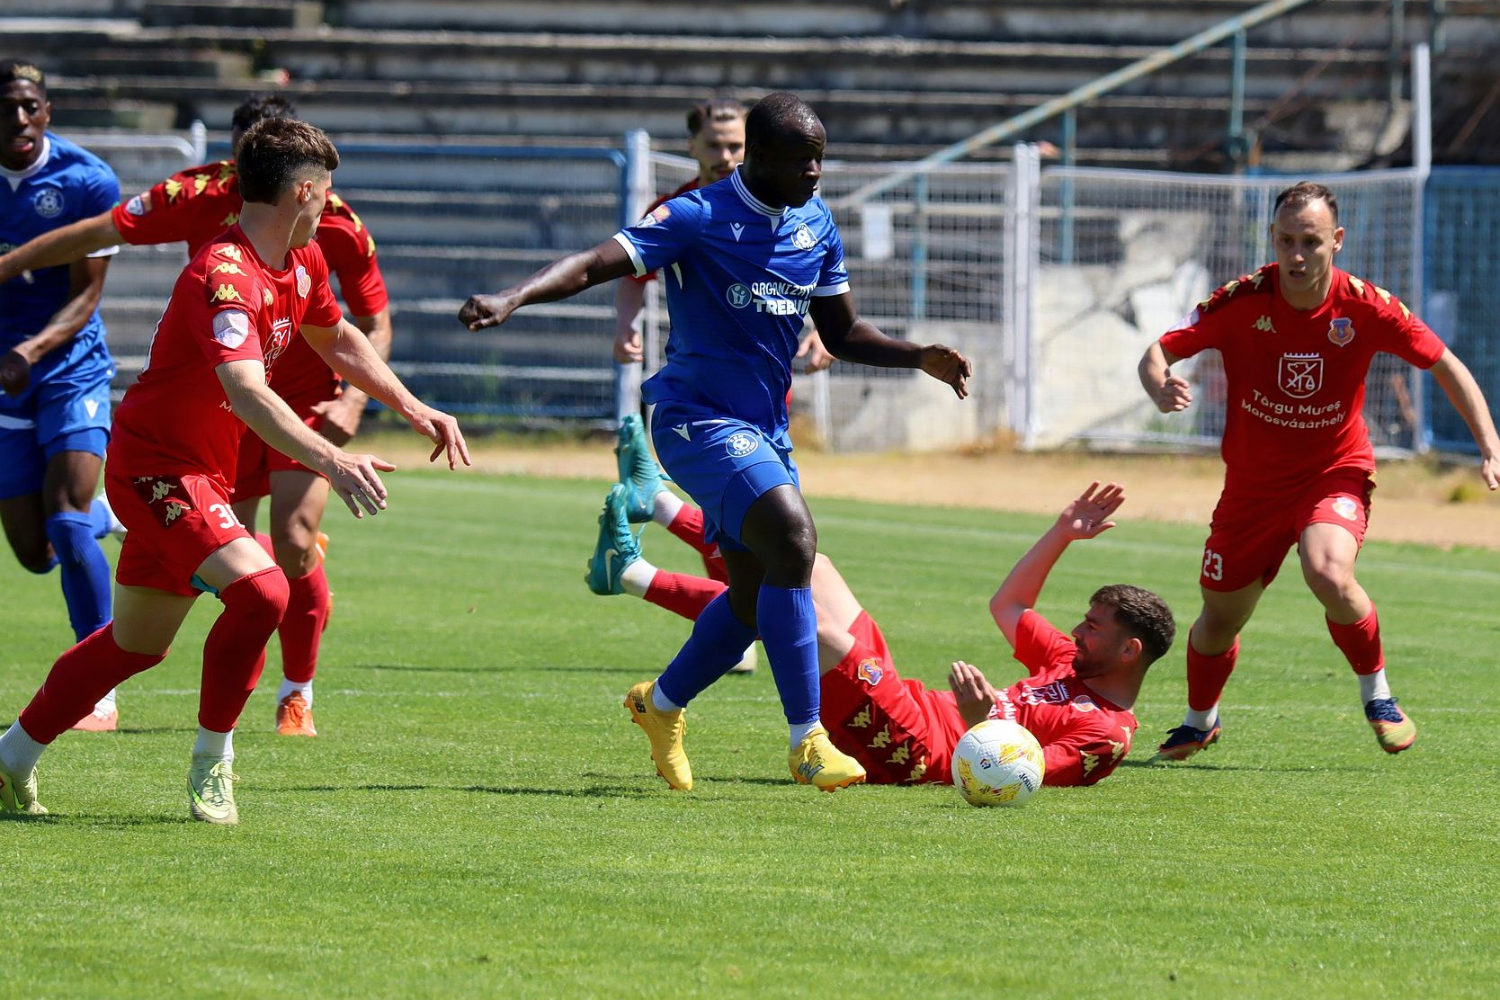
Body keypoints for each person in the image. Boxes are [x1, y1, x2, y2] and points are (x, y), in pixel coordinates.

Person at [462, 92, 971, 792]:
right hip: (694, 420)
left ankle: (660, 704)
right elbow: (594, 263)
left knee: (752, 596)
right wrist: (512, 298)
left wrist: (918, 356)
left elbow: (844, 332)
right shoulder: (695, 215)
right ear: (758, 157)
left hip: (764, 432)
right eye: (801, 160)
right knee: (793, 537)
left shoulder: (815, 223)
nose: (815, 172)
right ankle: (807, 740)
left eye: (820, 158)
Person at [0, 117, 469, 824]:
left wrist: (412, 406)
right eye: (327, 192)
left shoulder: (302, 260)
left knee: (134, 646)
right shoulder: (222, 275)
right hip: (158, 469)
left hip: (201, 469)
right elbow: (247, 389)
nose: (332, 205)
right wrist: (332, 458)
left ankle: (10, 757)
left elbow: (336, 337)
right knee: (262, 591)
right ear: (303, 192)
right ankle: (213, 764)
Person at [1138, 180, 1500, 761]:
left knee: (1328, 571)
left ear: (1337, 240)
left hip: (1334, 471)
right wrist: (1159, 385)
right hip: (1252, 488)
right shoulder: (1240, 301)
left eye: (1311, 241)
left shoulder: (1367, 306)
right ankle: (1199, 721)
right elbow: (1158, 351)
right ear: (1272, 238)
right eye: (1287, 241)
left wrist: (1489, 443)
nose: (1298, 255)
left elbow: (1445, 364)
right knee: (1219, 619)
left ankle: (1378, 695)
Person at [589, 474, 1173, 788]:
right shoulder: (1073, 661)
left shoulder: (1106, 735)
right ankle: (658, 517)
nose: (1076, 631)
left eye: (1092, 626)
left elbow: (1021, 778)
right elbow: (1009, 605)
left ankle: (637, 572)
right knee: (809, 565)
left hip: (923, 752)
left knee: (806, 621)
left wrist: (983, 724)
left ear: (1130, 650)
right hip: (908, 700)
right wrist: (1062, 532)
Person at [610, 98, 830, 677]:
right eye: (715, 145)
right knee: (781, 542)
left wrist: (823, 332)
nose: (725, 156)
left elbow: (802, 282)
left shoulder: (796, 210)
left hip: (767, 408)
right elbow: (629, 268)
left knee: (757, 557)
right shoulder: (687, 210)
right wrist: (626, 324)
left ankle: (653, 526)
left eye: (735, 146)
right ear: (693, 147)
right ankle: (801, 724)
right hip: (705, 409)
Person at [0, 60, 126, 731]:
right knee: (34, 552)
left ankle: (96, 688)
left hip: (69, 366)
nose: (20, 120)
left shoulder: (86, 180)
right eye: (6, 108)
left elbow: (86, 294)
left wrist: (31, 350)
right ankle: (110, 515)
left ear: (47, 111)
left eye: (31, 106)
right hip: (3, 379)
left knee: (66, 517)